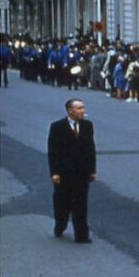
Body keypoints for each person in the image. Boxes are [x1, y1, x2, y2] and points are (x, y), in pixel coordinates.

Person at [47, 98, 97, 243]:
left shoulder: (87, 125)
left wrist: (92, 170)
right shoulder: (57, 127)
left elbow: (90, 149)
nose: (83, 111)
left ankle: (81, 235)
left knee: (81, 204)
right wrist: (54, 172)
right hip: (63, 173)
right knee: (62, 202)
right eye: (79, 108)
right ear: (70, 110)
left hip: (81, 173)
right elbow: (53, 151)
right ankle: (60, 225)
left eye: (83, 108)